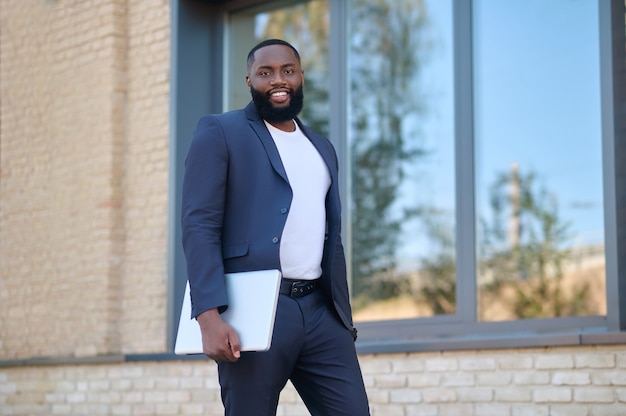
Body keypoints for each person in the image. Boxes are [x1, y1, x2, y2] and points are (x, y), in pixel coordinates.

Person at [181, 38, 370, 416]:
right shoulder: (221, 131)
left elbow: (332, 241)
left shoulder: (322, 148)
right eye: (265, 73)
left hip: (321, 312)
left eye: (288, 70)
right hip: (255, 308)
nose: (278, 80)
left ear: (301, 77)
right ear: (249, 80)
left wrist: (343, 320)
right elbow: (199, 224)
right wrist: (208, 315)